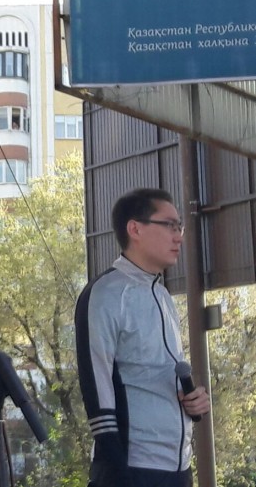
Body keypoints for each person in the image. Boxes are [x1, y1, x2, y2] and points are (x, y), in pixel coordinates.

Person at [74, 188, 211, 487]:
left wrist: (193, 398)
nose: (178, 237)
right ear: (135, 229)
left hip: (178, 467)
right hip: (132, 468)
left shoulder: (162, 295)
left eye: (180, 227)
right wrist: (116, 470)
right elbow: (96, 387)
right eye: (170, 225)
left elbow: (159, 372)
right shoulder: (106, 293)